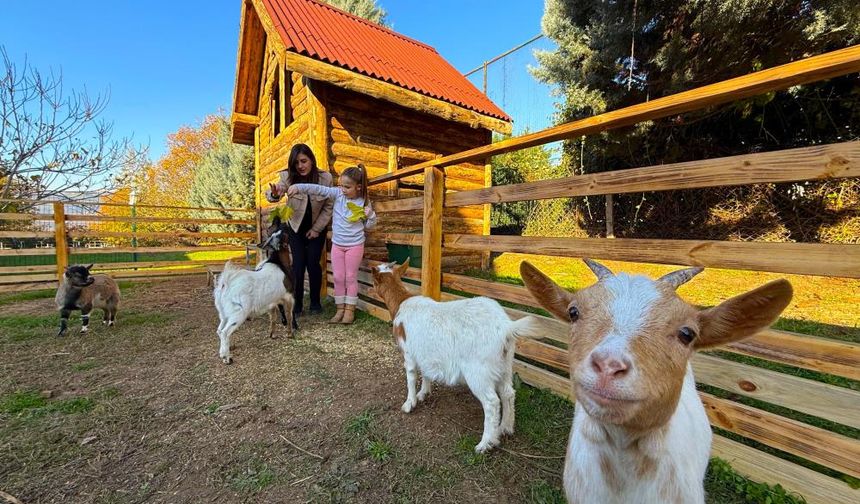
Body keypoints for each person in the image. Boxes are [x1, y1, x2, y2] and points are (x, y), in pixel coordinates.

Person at [288, 164, 377, 324]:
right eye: (341, 185)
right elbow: (318, 189)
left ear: (358, 187)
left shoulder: (364, 202)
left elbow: (369, 226)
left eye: (347, 187)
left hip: (355, 245)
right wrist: (298, 187)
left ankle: (350, 310)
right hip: (338, 244)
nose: (343, 189)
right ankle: (340, 309)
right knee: (338, 277)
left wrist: (370, 216)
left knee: (350, 277)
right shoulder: (337, 194)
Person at [266, 144, 333, 316]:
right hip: (294, 228)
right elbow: (275, 193)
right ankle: (297, 305)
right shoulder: (288, 177)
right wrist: (275, 193)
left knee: (313, 264)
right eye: (296, 163)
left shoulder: (325, 178)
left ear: (311, 159)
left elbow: (328, 207)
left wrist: (317, 229)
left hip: (316, 229)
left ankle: (316, 303)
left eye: (304, 161)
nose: (300, 166)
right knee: (297, 266)